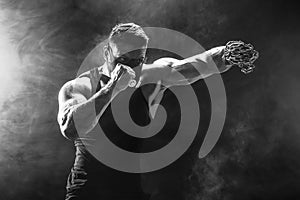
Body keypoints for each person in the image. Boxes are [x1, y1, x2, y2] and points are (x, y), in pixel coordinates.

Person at [57, 23, 232, 200]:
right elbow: (70, 129)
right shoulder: (80, 86)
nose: (130, 69)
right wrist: (112, 89)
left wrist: (227, 54)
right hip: (87, 192)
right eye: (122, 61)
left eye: (137, 62)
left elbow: (195, 66)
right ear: (107, 53)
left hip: (130, 192)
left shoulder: (149, 79)